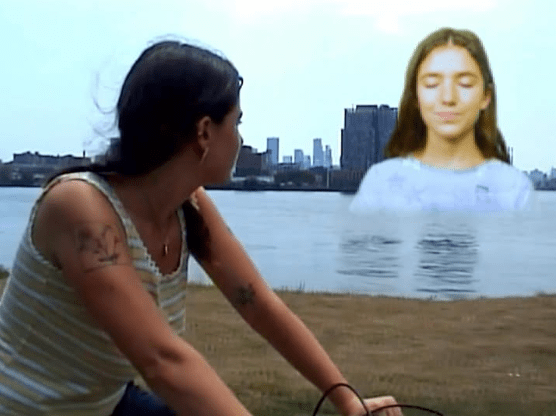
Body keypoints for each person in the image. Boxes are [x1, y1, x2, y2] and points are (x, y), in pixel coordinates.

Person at [0, 40, 399, 415]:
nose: (240, 139)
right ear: (205, 132)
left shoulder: (188, 204)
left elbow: (258, 304)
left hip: (101, 405)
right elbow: (162, 360)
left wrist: (348, 400)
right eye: (236, 123)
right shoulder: (79, 207)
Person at [350, 27, 533, 212]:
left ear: (486, 96)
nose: (448, 98)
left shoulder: (515, 190)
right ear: (415, 97)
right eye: (432, 84)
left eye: (465, 84)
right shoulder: (380, 184)